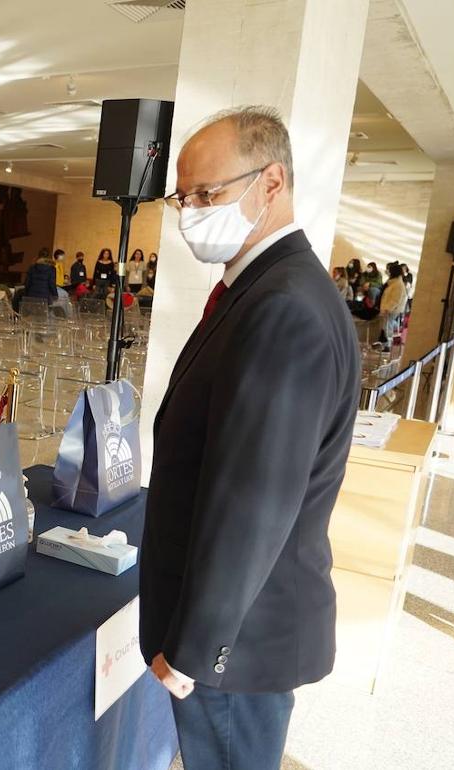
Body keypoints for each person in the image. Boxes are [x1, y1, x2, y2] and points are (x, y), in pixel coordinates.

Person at [145, 106, 359, 770]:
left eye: (208, 194)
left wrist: (196, 648)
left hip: (235, 637)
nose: (190, 213)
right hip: (238, 626)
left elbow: (255, 501)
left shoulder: (284, 307)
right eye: (184, 197)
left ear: (271, 183)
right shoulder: (260, 289)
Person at [14, 249, 56, 315]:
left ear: (38, 256)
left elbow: (27, 283)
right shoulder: (51, 269)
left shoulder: (32, 267)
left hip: (31, 296)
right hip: (44, 297)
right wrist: (55, 295)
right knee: (42, 318)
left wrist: (27, 293)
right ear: (48, 257)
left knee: (31, 317)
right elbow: (52, 283)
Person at [380, 261, 408, 348]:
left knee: (388, 327)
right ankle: (385, 345)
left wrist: (388, 308)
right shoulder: (394, 283)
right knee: (387, 326)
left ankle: (387, 346)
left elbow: (395, 299)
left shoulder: (397, 285)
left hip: (390, 310)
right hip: (389, 309)